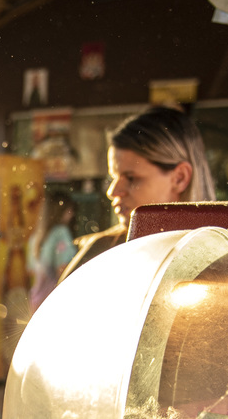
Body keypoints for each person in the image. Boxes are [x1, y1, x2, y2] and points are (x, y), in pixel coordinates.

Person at [58, 105, 215, 282]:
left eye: (131, 178)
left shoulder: (223, 260)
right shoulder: (101, 254)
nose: (112, 191)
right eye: (113, 178)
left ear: (180, 178)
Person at [28, 189, 76, 311]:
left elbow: (31, 271)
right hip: (55, 302)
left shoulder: (35, 239)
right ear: (60, 211)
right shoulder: (61, 233)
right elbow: (63, 269)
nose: (72, 214)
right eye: (69, 209)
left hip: (36, 300)